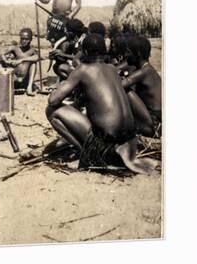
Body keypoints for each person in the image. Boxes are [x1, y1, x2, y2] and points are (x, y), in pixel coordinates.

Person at [46, 33, 158, 175]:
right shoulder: (112, 69)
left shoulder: (83, 70)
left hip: (107, 146)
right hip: (129, 144)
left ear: (85, 52)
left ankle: (89, 155)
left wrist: (65, 84)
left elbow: (53, 100)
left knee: (51, 111)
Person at [121, 35, 162, 138]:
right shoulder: (148, 69)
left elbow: (120, 85)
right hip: (155, 119)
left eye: (128, 52)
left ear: (137, 54)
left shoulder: (144, 72)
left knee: (126, 91)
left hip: (154, 124)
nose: (125, 55)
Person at [2, 27, 39, 96]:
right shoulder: (15, 48)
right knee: (3, 63)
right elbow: (1, 53)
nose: (24, 41)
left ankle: (29, 87)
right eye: (22, 39)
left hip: (25, 80)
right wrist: (6, 61)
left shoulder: (32, 50)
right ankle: (8, 86)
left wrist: (21, 60)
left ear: (30, 39)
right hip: (14, 78)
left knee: (33, 64)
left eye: (26, 39)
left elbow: (38, 57)